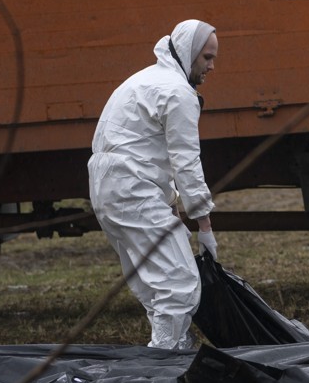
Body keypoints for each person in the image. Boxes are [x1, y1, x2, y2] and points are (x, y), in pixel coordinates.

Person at [88, 19, 219, 349]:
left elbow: (141, 147)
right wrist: (204, 225)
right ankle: (165, 365)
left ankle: (174, 347)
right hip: (132, 190)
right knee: (178, 283)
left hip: (108, 188)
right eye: (206, 57)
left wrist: (170, 201)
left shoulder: (145, 79)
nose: (212, 66)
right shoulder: (178, 93)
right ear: (188, 53)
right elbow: (186, 162)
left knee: (156, 285)